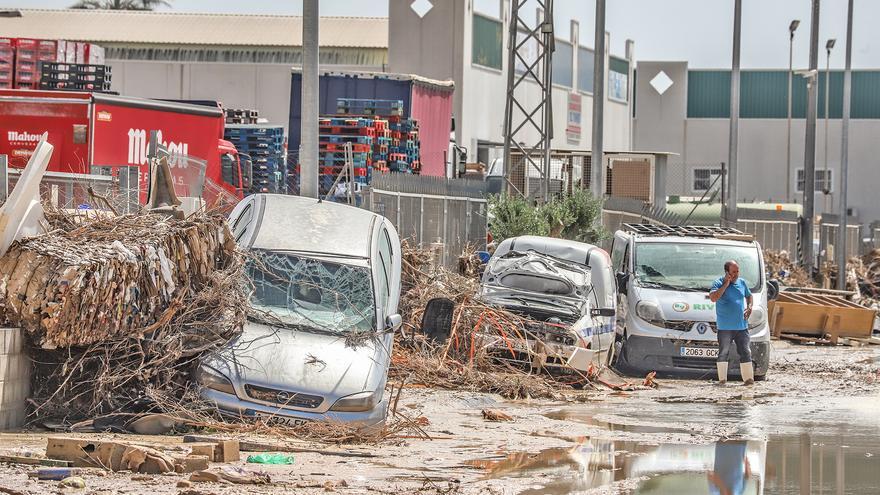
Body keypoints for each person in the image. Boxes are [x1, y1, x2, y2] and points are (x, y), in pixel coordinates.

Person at [709, 260, 754, 385]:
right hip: (725, 328)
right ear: (727, 272)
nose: (736, 274)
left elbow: (749, 296)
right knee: (723, 353)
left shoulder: (742, 282)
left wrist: (750, 307)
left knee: (745, 352)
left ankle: (748, 380)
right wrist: (726, 284)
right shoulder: (718, 283)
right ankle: (722, 380)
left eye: (737, 271)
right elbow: (713, 298)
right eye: (733, 272)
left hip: (741, 326)